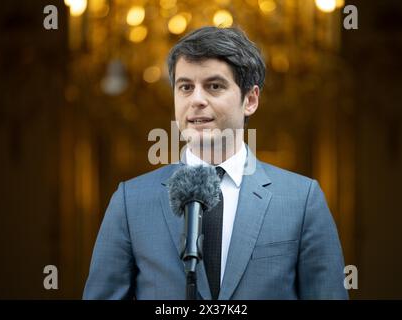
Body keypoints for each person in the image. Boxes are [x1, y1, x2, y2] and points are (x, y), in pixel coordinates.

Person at [83, 26, 348, 300]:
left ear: (250, 100)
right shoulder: (130, 202)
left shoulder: (302, 200)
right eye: (185, 87)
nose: (197, 100)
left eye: (214, 86)